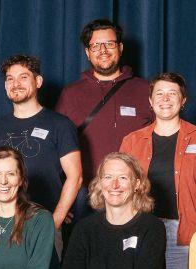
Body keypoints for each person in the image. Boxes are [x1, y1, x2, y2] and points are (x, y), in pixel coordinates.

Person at [119, 72, 196, 269]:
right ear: (150, 101)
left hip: (186, 232)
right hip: (142, 229)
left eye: (172, 93)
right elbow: (121, 189)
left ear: (183, 100)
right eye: (159, 93)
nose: (165, 99)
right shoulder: (132, 141)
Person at [55, 19, 153, 205]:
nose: (103, 50)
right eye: (96, 46)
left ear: (120, 47)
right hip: (86, 196)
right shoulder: (70, 94)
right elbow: (57, 148)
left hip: (135, 194)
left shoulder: (145, 90)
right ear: (87, 52)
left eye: (109, 44)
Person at [0, 55, 81, 238]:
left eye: (23, 77)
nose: (16, 84)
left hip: (44, 223)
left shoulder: (60, 124)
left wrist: (56, 220)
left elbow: (75, 176)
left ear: (38, 81)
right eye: (10, 79)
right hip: (4, 223)